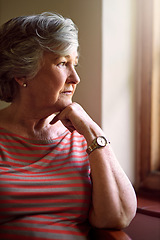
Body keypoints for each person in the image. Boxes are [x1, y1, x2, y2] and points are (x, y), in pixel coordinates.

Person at [0, 12, 137, 240]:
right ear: (22, 72)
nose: (75, 78)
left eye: (75, 63)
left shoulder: (83, 138)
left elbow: (117, 217)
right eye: (62, 63)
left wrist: (92, 130)